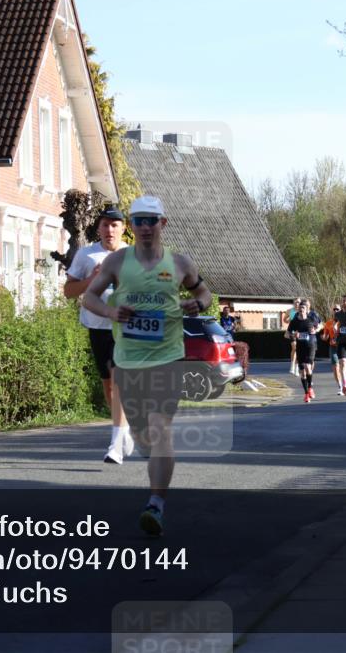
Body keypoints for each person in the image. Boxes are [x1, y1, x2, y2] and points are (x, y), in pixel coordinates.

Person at [82, 196, 212, 537]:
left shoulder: (180, 263)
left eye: (151, 220)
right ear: (132, 224)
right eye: (138, 220)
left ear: (162, 224)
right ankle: (146, 461)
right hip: (127, 361)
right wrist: (111, 312)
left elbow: (205, 294)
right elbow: (89, 297)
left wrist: (196, 303)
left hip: (168, 358)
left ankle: (156, 503)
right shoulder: (117, 261)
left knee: (159, 429)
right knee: (142, 435)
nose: (144, 227)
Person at [64, 206, 132, 464]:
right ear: (99, 228)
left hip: (125, 329)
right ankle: (123, 429)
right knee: (109, 387)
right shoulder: (86, 255)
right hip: (97, 327)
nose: (109, 229)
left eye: (115, 225)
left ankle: (115, 444)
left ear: (123, 228)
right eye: (105, 225)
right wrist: (90, 280)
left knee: (119, 381)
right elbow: (69, 292)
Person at [286, 299, 322, 403]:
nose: (301, 310)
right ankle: (306, 394)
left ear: (306, 310)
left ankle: (310, 388)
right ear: (298, 309)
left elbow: (320, 325)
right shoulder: (295, 321)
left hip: (311, 345)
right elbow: (287, 334)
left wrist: (315, 330)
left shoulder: (311, 319)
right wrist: (294, 335)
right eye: (300, 308)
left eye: (303, 308)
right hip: (300, 347)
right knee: (302, 372)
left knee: (308, 367)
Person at [321, 304, 344, 395]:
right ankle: (340, 386)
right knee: (335, 367)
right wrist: (323, 337)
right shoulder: (328, 323)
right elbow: (326, 336)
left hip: (343, 346)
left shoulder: (343, 322)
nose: (335, 311)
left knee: (343, 367)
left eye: (337, 309)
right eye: (334, 309)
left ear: (340, 310)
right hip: (333, 346)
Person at [282, 297, 302, 375]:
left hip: (300, 331)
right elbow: (284, 320)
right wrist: (289, 320)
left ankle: (296, 367)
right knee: (294, 347)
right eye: (296, 302)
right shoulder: (290, 311)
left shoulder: (303, 310)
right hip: (292, 331)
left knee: (298, 349)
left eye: (299, 302)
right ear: (293, 303)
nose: (297, 304)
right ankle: (292, 365)